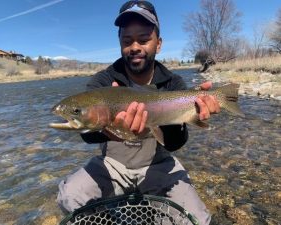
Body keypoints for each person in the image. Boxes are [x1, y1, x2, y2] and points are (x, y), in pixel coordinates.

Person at [57, 1, 220, 224]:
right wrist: (109, 128)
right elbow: (86, 132)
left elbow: (174, 144)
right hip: (113, 165)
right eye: (127, 41)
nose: (135, 46)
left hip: (158, 165)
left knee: (197, 219)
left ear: (158, 44)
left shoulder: (174, 83)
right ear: (120, 44)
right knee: (69, 196)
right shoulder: (103, 81)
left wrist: (195, 113)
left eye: (143, 39)